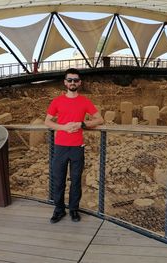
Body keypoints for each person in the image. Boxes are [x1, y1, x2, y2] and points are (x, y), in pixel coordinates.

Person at [45, 68, 104, 223]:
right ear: (65, 82)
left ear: (80, 83)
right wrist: (64, 127)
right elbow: (47, 121)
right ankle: (59, 210)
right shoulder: (57, 101)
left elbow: (100, 120)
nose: (72, 82)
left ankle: (73, 210)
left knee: (76, 180)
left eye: (75, 80)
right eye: (70, 80)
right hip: (60, 146)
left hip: (77, 146)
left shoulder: (85, 101)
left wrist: (82, 124)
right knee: (58, 179)